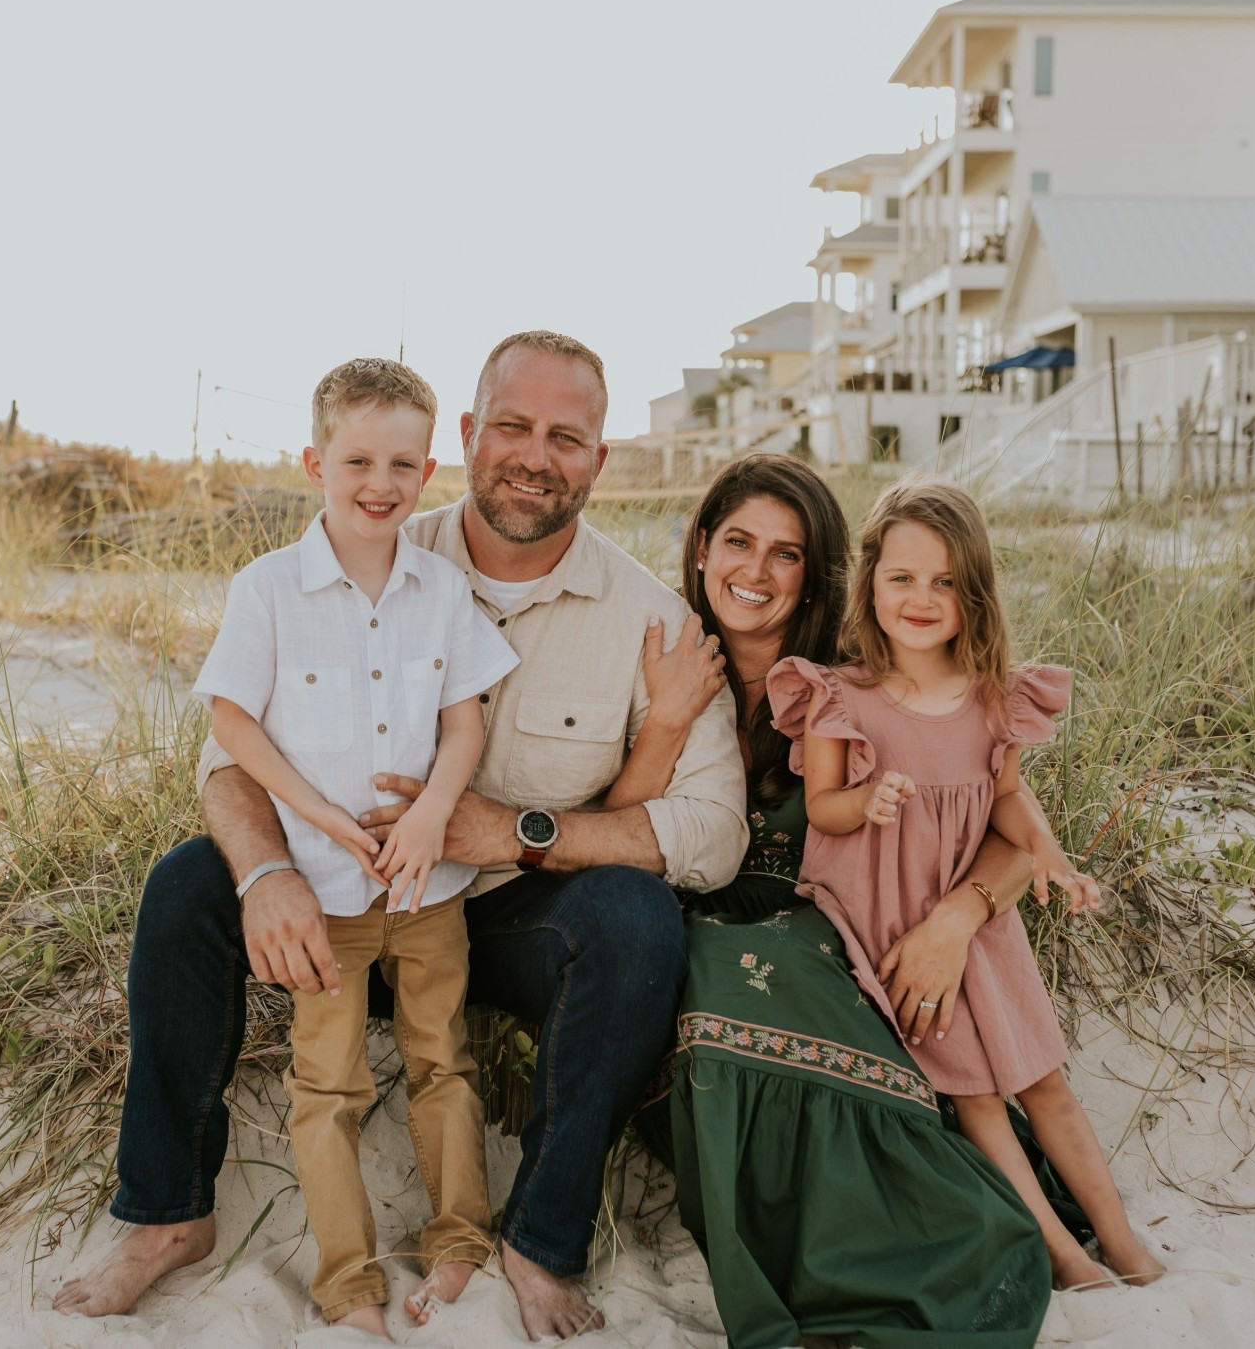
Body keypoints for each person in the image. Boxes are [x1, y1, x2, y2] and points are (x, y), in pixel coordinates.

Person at [56, 330, 749, 1339]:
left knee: (636, 919)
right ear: (467, 435)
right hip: (336, 897)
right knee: (187, 886)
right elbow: (226, 766)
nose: (533, 454)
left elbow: (712, 833)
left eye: (566, 436)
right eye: (510, 425)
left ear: (599, 459)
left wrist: (509, 830)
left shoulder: (646, 621)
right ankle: (169, 1214)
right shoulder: (368, 545)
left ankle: (538, 1239)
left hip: (485, 921)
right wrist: (265, 875)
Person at [616, 455, 1066, 1348]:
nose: (756, 570)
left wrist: (956, 917)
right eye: (738, 542)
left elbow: (1006, 831)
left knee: (796, 979)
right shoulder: (649, 656)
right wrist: (666, 718)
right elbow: (615, 832)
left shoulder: (853, 681)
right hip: (691, 911)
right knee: (711, 986)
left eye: (787, 553)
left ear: (818, 570)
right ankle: (808, 1260)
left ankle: (952, 1238)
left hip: (835, 914)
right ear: (701, 548)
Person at [766, 474, 1166, 1292]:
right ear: (870, 579)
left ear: (973, 593)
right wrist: (865, 800)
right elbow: (824, 810)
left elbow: (1011, 800)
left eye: (945, 582)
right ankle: (1062, 1252)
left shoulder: (994, 699)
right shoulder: (840, 697)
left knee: (1042, 1078)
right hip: (885, 919)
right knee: (980, 1097)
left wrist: (1049, 854)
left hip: (979, 925)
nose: (921, 597)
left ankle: (1120, 1238)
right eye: (902, 577)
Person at [187, 357, 519, 1335]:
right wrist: (318, 821)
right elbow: (233, 723)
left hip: (428, 886)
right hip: (325, 892)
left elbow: (466, 724)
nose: (381, 484)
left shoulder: (440, 588)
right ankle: (346, 1285)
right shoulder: (270, 589)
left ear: (429, 472)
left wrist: (429, 816)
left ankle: (459, 1241)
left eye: (403, 464)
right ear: (314, 462)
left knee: (440, 1061)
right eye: (359, 460)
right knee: (325, 1086)